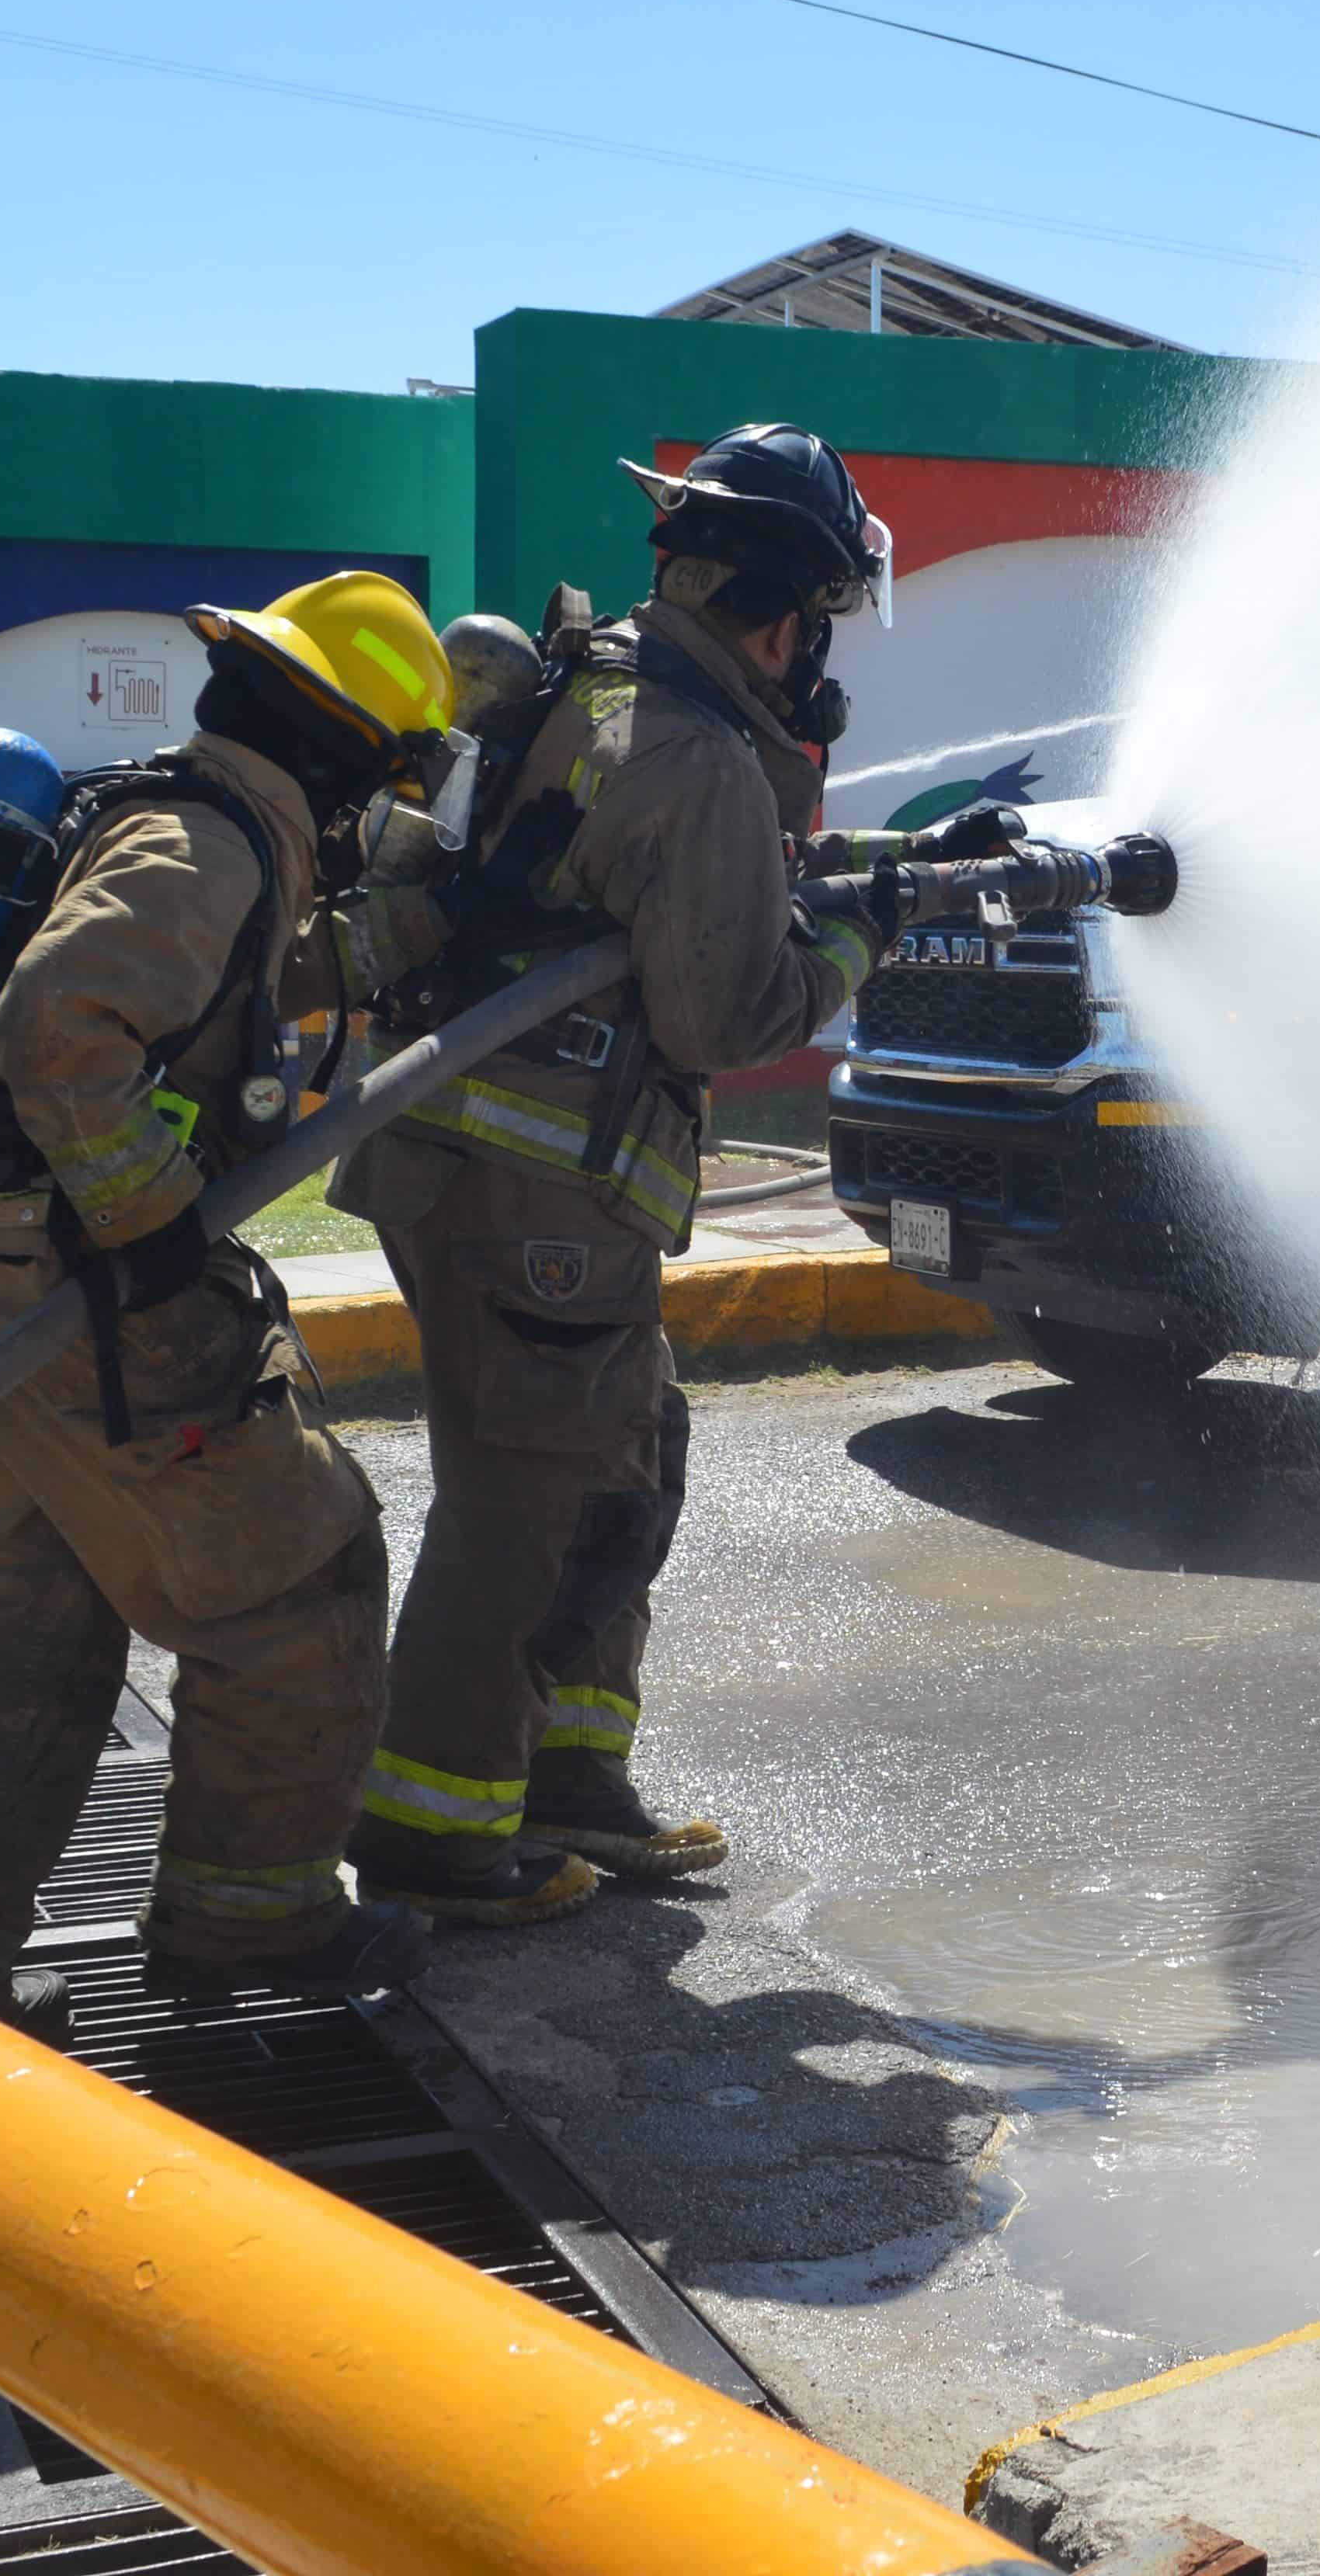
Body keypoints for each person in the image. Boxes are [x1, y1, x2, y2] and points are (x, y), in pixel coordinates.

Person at [0, 571, 459, 2026]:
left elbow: (254, 976)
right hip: (70, 1290)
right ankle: (251, 1924)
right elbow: (65, 1018)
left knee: (22, 1620)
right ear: (355, 754)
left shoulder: (188, 820)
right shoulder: (204, 842)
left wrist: (428, 925)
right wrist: (149, 1220)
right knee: (301, 1579)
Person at [339, 424, 913, 1923]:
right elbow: (727, 1010)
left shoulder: (594, 691)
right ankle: (439, 1833)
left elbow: (641, 900)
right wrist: (871, 933)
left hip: (478, 1169)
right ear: (780, 614)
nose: (818, 662)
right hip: (537, 1197)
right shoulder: (704, 757)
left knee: (624, 1456)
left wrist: (837, 881)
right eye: (821, 626)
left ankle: (569, 1783)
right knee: (528, 1498)